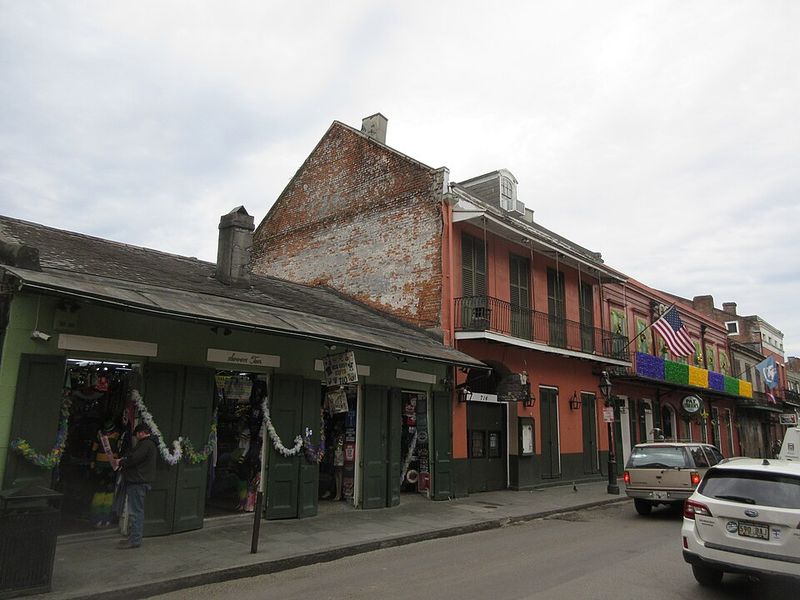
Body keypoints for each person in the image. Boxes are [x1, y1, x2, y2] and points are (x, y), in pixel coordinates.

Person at [112, 423, 157, 549]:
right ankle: (133, 537)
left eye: (137, 435)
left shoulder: (146, 444)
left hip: (138, 482)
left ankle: (135, 539)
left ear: (141, 433)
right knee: (136, 510)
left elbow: (134, 458)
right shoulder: (149, 444)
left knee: (135, 511)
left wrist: (121, 461)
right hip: (139, 481)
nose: (136, 437)